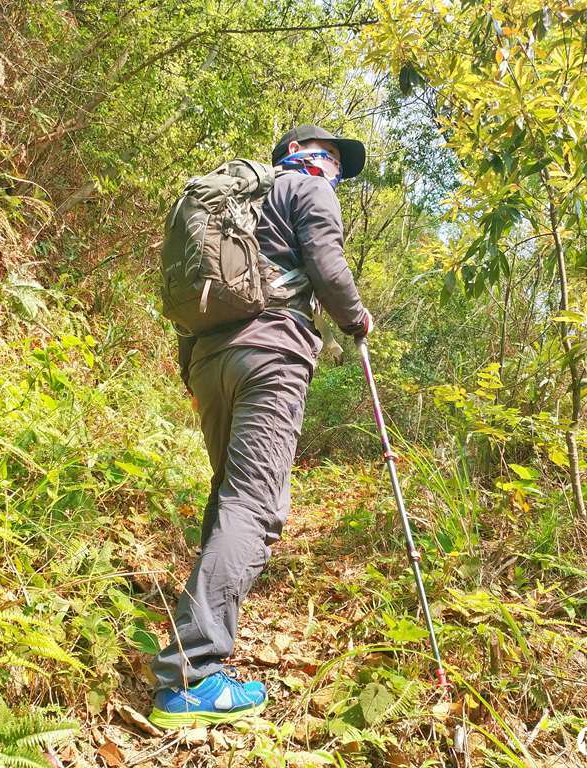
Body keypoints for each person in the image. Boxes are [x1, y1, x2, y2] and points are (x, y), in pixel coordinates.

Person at [149, 125, 374, 728]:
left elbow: (194, 289)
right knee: (256, 506)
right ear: (316, 160)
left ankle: (195, 638)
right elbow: (327, 268)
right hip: (272, 353)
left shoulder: (239, 197)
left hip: (207, 360)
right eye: (331, 157)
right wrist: (355, 319)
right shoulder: (310, 190)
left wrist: (193, 372)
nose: (331, 167)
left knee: (231, 495)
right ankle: (190, 675)